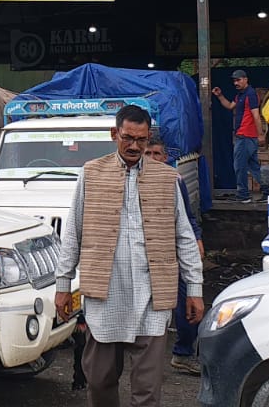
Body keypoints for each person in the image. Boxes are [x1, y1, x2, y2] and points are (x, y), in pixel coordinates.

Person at [54, 105, 205, 407]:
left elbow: (185, 237)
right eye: (128, 138)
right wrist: (63, 284)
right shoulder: (91, 173)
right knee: (98, 381)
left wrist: (195, 289)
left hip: (152, 298)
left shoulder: (168, 178)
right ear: (114, 134)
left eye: (142, 139)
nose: (135, 146)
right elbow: (73, 231)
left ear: (149, 138)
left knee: (147, 391)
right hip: (104, 296)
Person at [144, 138, 204, 376]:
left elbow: (187, 217)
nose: (151, 158)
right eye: (147, 153)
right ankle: (147, 363)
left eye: (156, 153)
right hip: (145, 256)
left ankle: (183, 353)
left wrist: (197, 240)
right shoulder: (131, 181)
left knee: (187, 303)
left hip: (172, 254)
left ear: (166, 156)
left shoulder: (174, 180)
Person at [212, 69, 266, 203]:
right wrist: (220, 96)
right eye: (234, 80)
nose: (236, 83)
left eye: (238, 80)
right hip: (245, 135)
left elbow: (256, 115)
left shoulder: (250, 94)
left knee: (239, 166)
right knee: (253, 166)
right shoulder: (240, 95)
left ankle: (243, 195)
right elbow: (230, 106)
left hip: (246, 135)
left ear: (246, 79)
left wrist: (260, 134)